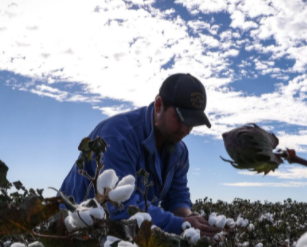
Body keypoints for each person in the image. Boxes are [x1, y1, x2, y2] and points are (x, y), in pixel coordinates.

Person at [60, 73, 220, 238]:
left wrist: (190, 221)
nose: (186, 130)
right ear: (159, 105)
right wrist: (179, 225)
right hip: (69, 231)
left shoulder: (180, 151)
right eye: (180, 119)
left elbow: (177, 197)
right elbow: (120, 208)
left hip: (118, 235)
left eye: (192, 123)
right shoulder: (118, 136)